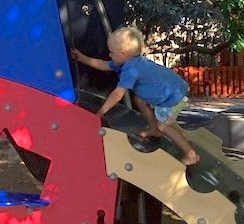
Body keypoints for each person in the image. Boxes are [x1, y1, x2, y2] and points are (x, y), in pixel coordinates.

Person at [71, 26, 200, 166]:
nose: (109, 55)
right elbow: (103, 65)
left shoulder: (131, 69)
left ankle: (190, 154)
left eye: (112, 52)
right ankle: (154, 130)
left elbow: (118, 94)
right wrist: (82, 58)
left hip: (174, 97)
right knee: (139, 99)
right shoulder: (127, 61)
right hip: (171, 91)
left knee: (164, 126)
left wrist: (101, 112)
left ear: (124, 53)